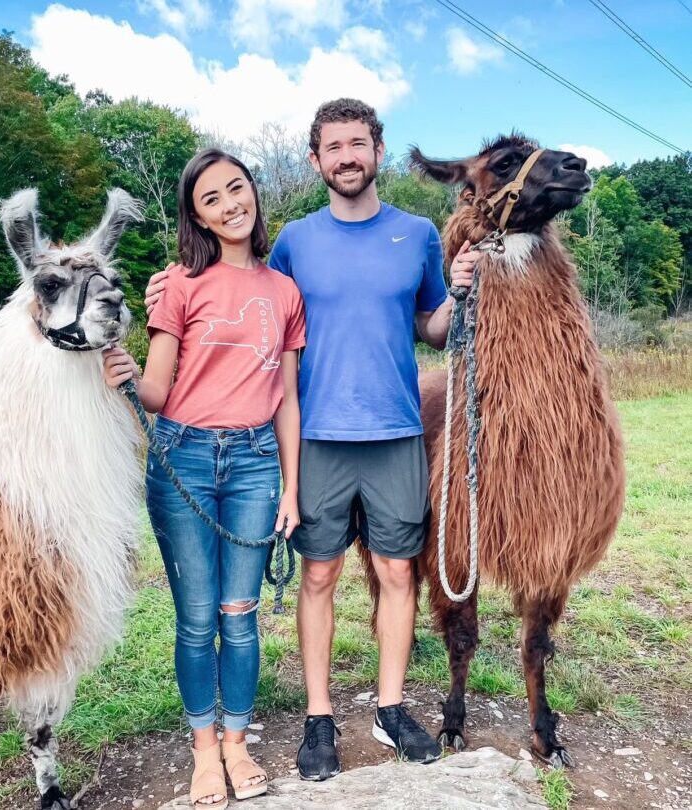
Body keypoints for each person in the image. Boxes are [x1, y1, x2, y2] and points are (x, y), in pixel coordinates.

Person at [144, 99, 479, 781]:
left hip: (395, 429)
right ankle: (319, 717)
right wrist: (169, 287)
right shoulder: (295, 240)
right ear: (315, 159)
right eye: (335, 146)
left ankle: (390, 706)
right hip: (315, 436)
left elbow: (434, 327)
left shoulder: (415, 234)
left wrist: (463, 292)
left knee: (395, 572)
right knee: (319, 574)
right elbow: (249, 302)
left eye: (360, 143)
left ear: (378, 152)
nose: (348, 156)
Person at [104, 148, 305, 809]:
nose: (229, 203)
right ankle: (202, 750)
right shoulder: (180, 284)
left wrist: (292, 491)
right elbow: (158, 391)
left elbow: (288, 401)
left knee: (239, 617)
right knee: (195, 621)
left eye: (237, 188)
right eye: (211, 198)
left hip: (254, 465)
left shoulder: (284, 292)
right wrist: (128, 375)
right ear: (196, 215)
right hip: (183, 457)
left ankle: (238, 741)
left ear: (254, 193)